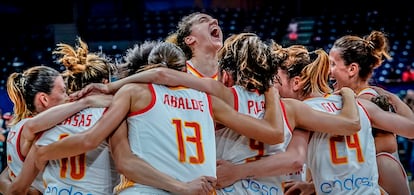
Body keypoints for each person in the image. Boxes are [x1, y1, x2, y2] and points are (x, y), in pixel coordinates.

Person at [71, 33, 362, 194]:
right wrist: (348, 93)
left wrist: (110, 90)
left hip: (221, 188)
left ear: (227, 71)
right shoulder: (289, 107)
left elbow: (163, 77)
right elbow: (347, 125)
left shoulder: (218, 95)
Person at [9, 40, 286, 195]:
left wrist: (40, 154)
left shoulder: (130, 95)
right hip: (201, 190)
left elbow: (95, 143)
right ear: (183, 70)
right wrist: (271, 87)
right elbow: (273, 133)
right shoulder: (209, 99)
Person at [6, 37, 118, 195]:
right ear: (105, 82)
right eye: (62, 91)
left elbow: (7, 178)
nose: (67, 96)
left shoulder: (44, 125)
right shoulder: (112, 114)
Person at [329, 30, 413, 194]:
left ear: (352, 69)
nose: (328, 71)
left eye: (332, 64)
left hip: (383, 178)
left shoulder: (366, 99)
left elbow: (387, 143)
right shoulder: (366, 95)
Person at [170, 12, 223, 79]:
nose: (215, 21)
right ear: (189, 39)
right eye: (203, 20)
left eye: (214, 20)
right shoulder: (175, 73)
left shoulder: (231, 75)